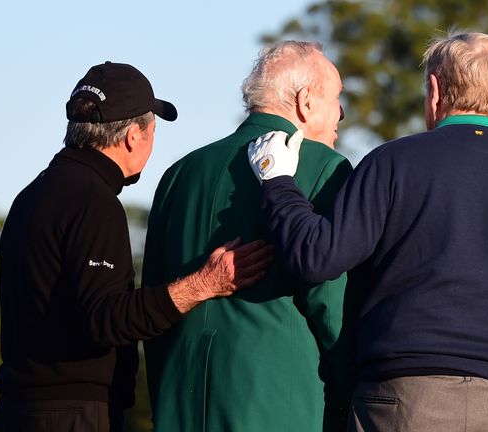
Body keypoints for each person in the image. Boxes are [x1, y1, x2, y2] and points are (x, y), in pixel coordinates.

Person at [248, 32, 488, 431]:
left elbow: (316, 257)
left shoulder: (392, 163)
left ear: (434, 90)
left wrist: (277, 181)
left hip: (403, 401)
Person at [0, 61, 272, 432]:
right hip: (70, 415)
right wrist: (204, 284)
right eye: (154, 130)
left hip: (19, 411)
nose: (153, 142)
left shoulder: (34, 193)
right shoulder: (92, 200)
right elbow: (107, 319)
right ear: (132, 137)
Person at [142, 41, 355, 432]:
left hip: (178, 404)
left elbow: (154, 306)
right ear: (306, 101)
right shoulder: (327, 168)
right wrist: (352, 394)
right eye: (337, 97)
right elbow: (332, 310)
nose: (341, 112)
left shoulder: (178, 174)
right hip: (279, 405)